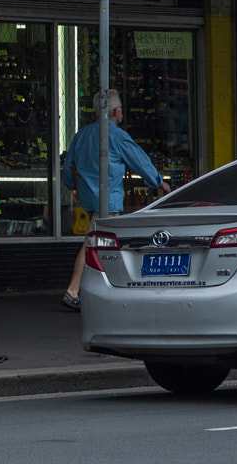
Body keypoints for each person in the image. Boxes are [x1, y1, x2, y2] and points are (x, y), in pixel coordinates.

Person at [61, 90, 170, 310]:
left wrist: (74, 187)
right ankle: (73, 290)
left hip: (89, 198)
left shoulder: (82, 134)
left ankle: (116, 290)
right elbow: (138, 159)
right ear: (115, 111)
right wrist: (158, 181)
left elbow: (67, 166)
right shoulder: (116, 135)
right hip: (108, 200)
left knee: (107, 245)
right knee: (92, 244)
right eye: (120, 110)